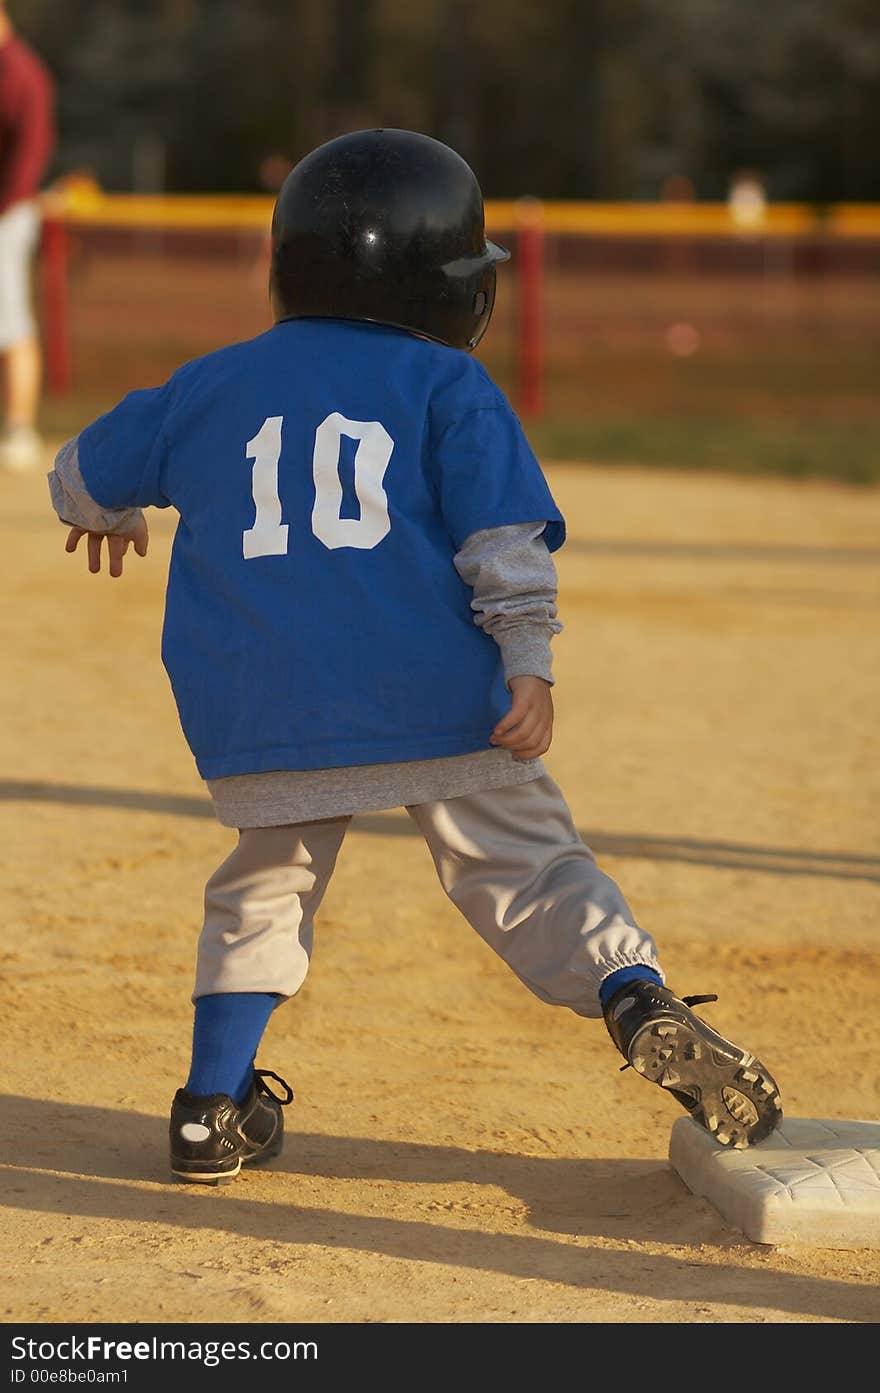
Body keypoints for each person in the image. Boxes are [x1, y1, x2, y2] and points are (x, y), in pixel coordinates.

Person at [47, 129, 783, 1184]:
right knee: (525, 868)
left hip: (262, 709)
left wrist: (110, 510)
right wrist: (528, 664)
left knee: (262, 889)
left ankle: (212, 1106)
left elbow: (77, 477)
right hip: (437, 697)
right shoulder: (448, 386)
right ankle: (634, 998)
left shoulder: (209, 384)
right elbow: (504, 549)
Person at [0, 1, 55, 473]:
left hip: (8, 215)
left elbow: (28, 161)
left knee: (10, 320)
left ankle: (20, 425)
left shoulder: (21, 72)